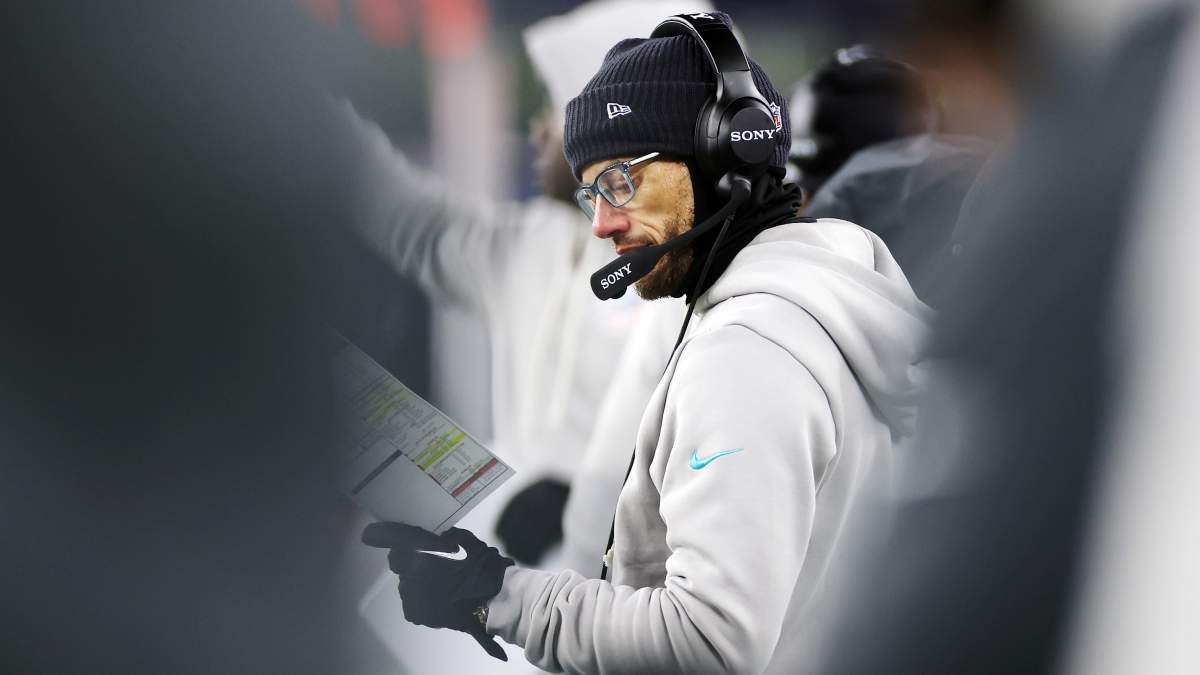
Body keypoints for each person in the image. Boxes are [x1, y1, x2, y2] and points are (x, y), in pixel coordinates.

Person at [362, 13, 931, 674]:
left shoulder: (746, 356)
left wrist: (497, 595)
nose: (601, 223)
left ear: (721, 159)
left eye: (620, 182)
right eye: (591, 193)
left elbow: (706, 642)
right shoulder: (809, 301)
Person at [339, 0, 708, 567]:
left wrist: (596, 509)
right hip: (510, 589)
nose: (538, 129)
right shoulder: (535, 245)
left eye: (554, 106)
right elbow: (409, 218)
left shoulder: (704, 280)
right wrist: (291, 106)